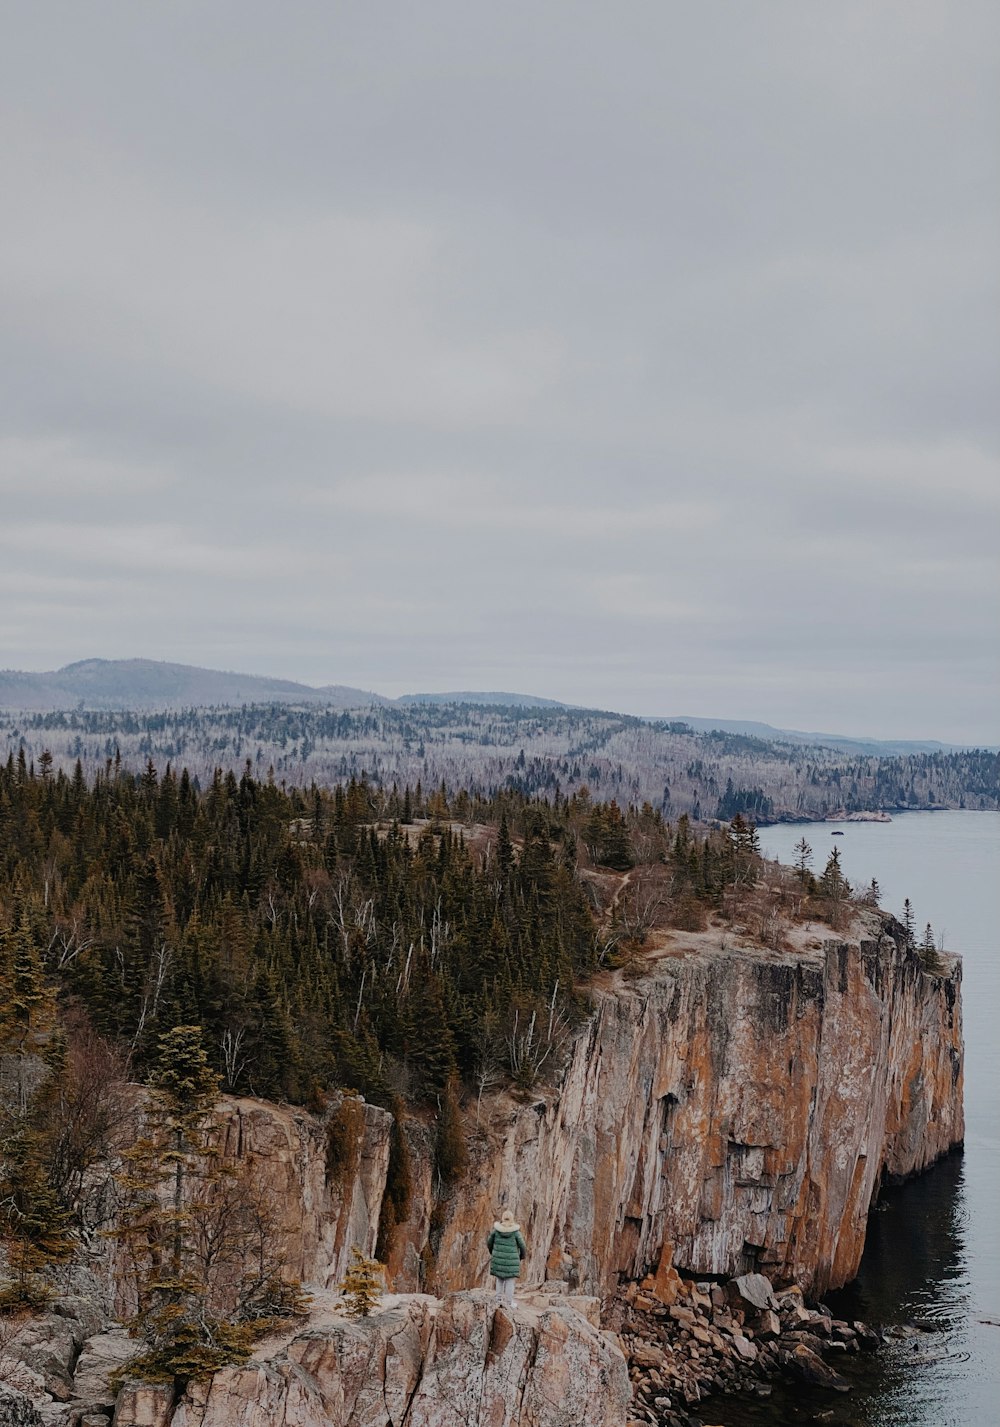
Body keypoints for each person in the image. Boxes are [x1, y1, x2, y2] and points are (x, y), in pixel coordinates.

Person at [487, 1208, 526, 1304]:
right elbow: (523, 1246)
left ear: (503, 1218)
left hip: (498, 1260)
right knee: (509, 1281)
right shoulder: (516, 1232)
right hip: (512, 1261)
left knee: (499, 1279)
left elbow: (489, 1243)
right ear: (512, 1219)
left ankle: (498, 1299)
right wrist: (521, 1256)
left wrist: (494, 1253)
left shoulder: (496, 1231)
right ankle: (509, 1302)